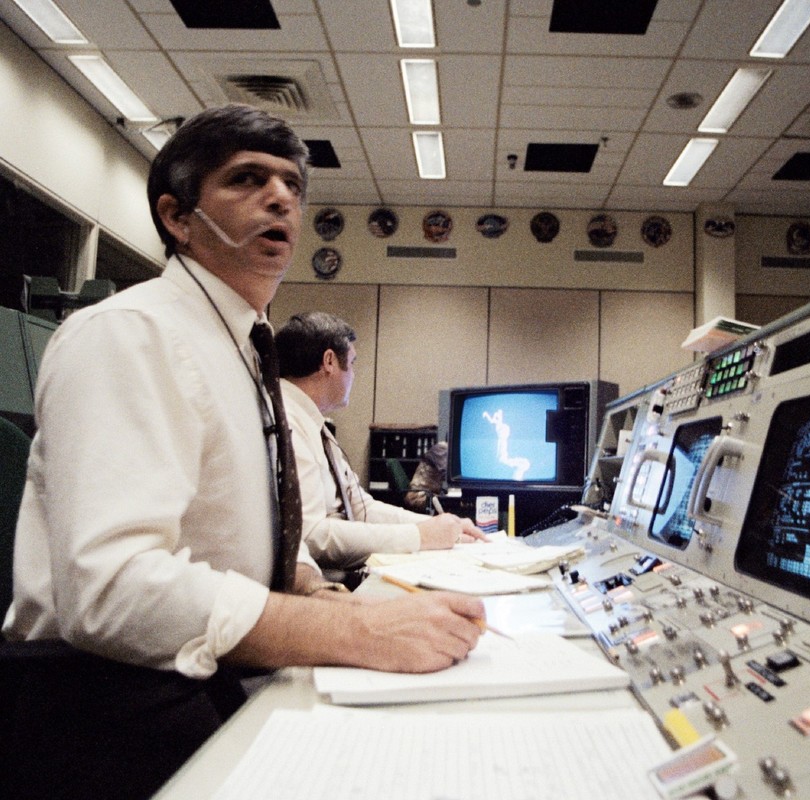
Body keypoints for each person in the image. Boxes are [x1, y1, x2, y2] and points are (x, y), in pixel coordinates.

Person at [1, 104, 484, 800]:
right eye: (246, 179)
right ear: (178, 216)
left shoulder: (239, 347)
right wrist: (357, 633)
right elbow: (111, 589)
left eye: (290, 183)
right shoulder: (130, 336)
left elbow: (230, 532)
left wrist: (319, 593)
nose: (281, 196)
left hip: (207, 676)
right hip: (114, 710)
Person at [275, 312, 486, 576]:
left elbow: (361, 507)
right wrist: (418, 536)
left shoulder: (314, 423)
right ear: (329, 361)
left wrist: (441, 526)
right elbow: (310, 535)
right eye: (351, 363)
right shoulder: (287, 424)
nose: (353, 375)